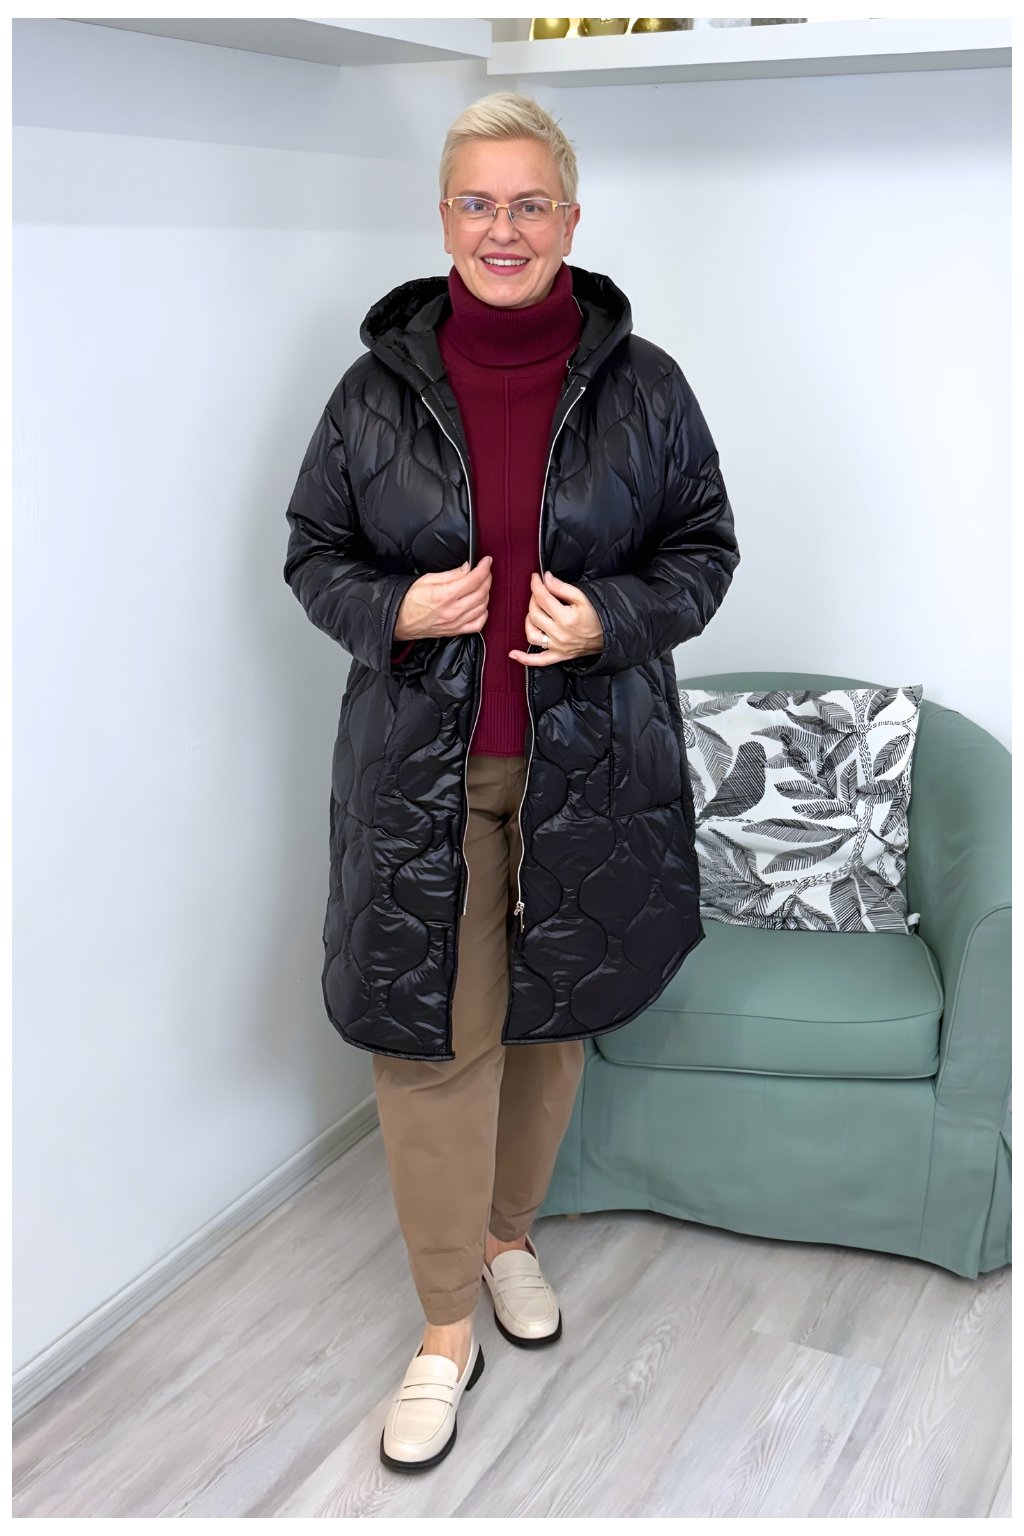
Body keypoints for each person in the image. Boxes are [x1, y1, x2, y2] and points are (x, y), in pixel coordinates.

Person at [282, 91, 740, 1472]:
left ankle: (506, 1237)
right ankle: (444, 1329)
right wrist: (392, 611)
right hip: (423, 772)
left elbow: (704, 549)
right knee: (429, 1040)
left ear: (570, 220)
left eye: (528, 203)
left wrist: (612, 619)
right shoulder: (372, 393)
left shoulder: (646, 386)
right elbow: (313, 553)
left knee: (550, 1023)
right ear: (442, 219)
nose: (503, 228)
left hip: (589, 763)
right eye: (477, 203)